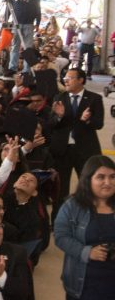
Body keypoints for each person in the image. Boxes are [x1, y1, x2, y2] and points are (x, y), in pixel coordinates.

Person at [54, 155, 115, 300]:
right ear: (88, 180)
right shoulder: (73, 205)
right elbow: (61, 236)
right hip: (83, 283)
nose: (108, 182)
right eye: (101, 177)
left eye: (112, 177)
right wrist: (87, 252)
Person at [48, 68, 104, 218]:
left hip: (85, 149)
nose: (66, 81)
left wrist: (88, 120)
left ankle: (91, 218)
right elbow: (51, 124)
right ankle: (58, 220)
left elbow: (99, 124)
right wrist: (59, 116)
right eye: (65, 78)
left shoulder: (94, 98)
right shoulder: (59, 97)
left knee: (88, 186)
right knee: (60, 188)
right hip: (62, 150)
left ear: (81, 80)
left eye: (70, 78)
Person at [7, 0, 41, 73]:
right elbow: (9, 5)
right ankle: (12, 68)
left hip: (29, 23)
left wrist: (37, 23)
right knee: (14, 46)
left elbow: (37, 7)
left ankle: (27, 70)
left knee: (28, 48)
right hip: (16, 22)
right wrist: (6, 18)